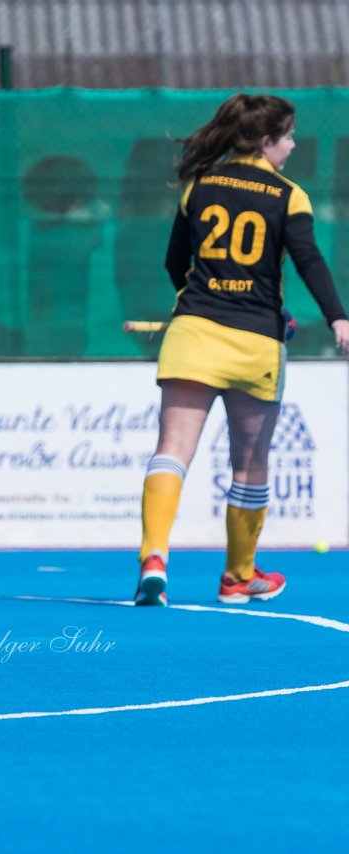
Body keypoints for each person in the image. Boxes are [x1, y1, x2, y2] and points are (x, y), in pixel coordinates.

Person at [135, 93, 349, 607]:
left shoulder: (198, 186)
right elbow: (308, 260)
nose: (293, 146)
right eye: (289, 136)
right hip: (256, 342)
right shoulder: (288, 195)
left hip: (193, 333)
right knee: (250, 466)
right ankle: (237, 577)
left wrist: (204, 297)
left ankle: (154, 557)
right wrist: (337, 316)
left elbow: (174, 264)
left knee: (172, 450)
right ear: (267, 140)